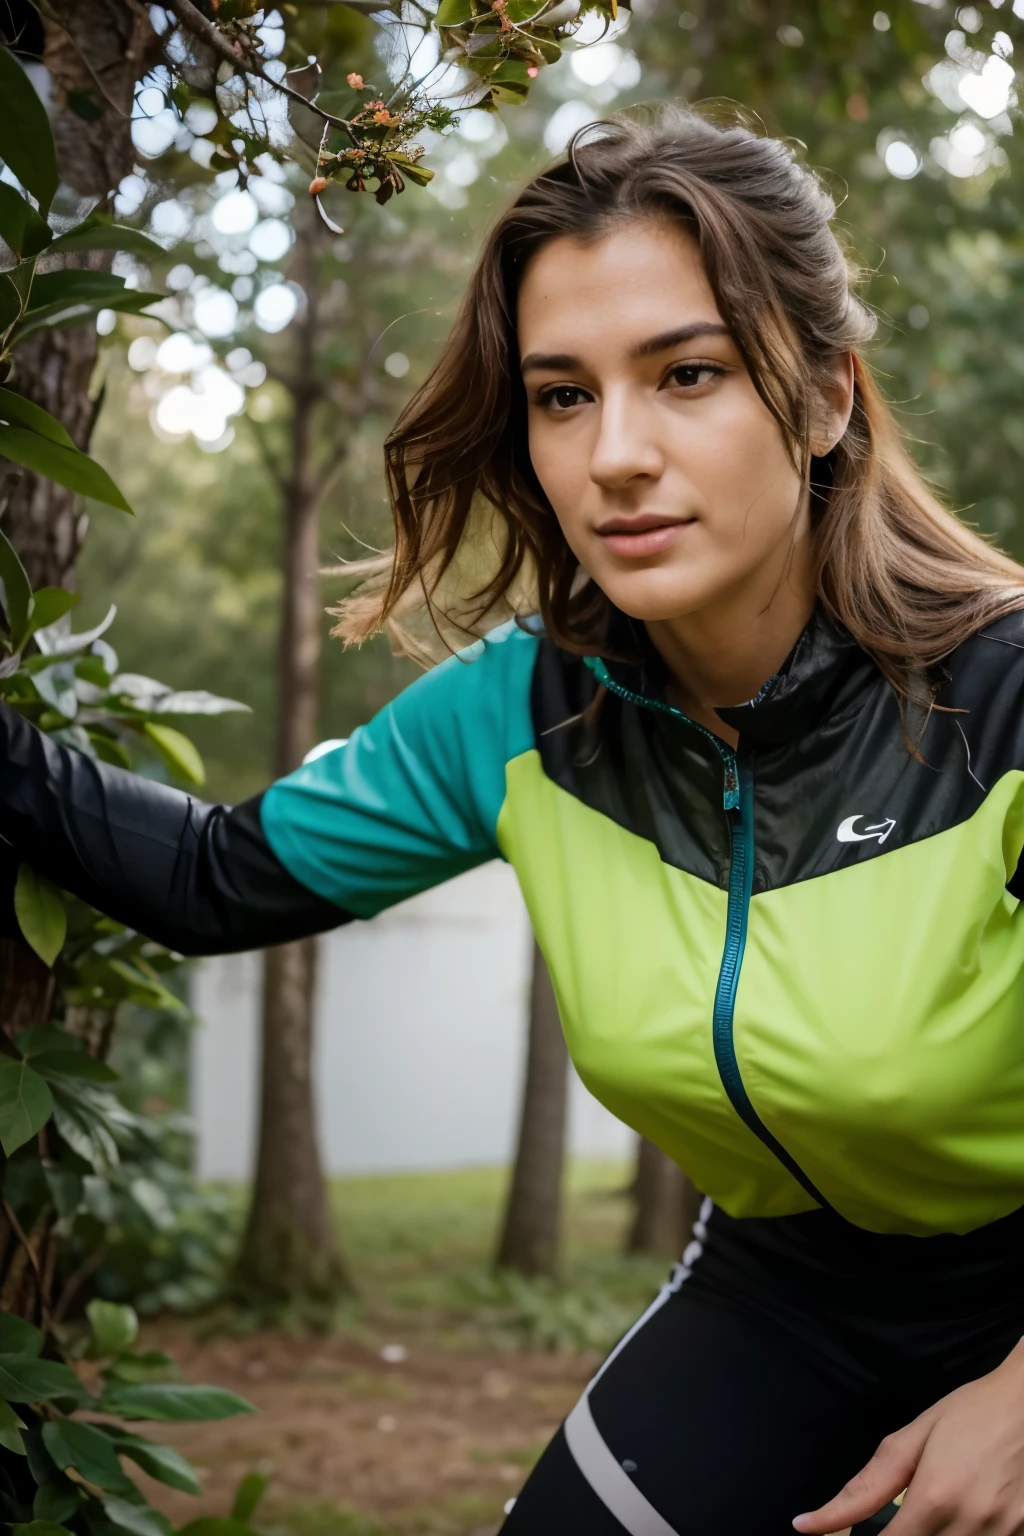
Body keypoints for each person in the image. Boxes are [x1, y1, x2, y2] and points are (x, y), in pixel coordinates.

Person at [5, 103, 1024, 1536]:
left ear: (824, 399)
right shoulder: (526, 710)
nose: (616, 454)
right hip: (793, 1289)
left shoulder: (1006, 694)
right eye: (561, 396)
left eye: (687, 374)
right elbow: (213, 875)